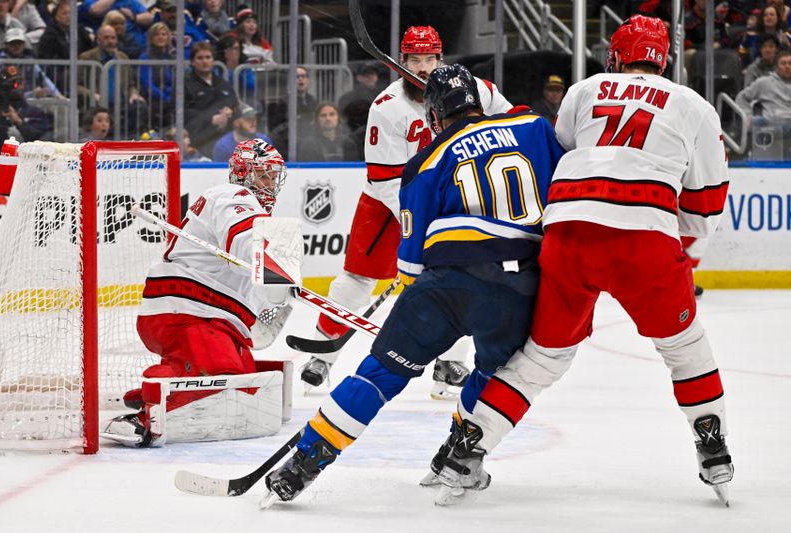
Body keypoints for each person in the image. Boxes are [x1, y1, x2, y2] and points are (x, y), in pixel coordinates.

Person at [430, 15, 734, 507]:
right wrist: (675, 242)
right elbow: (704, 207)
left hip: (568, 231)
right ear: (665, 59)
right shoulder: (693, 106)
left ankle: (470, 445)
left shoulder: (585, 89)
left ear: (615, 55)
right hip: (643, 240)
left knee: (543, 357)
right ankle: (712, 443)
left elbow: (560, 158)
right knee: (684, 346)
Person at [262, 64, 563, 506]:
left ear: (434, 118)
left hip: (445, 284)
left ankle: (306, 459)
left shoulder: (426, 160)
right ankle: (457, 456)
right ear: (479, 103)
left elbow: (410, 265)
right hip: (518, 285)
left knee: (380, 374)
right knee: (493, 372)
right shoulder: (535, 127)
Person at [298, 26, 513, 400]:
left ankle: (450, 362)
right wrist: (422, 224)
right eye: (415, 60)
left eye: (430, 59)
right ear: (402, 63)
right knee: (356, 282)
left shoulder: (474, 90)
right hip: (388, 204)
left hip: (453, 196)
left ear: (440, 59)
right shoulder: (387, 108)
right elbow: (386, 181)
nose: (424, 68)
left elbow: (508, 124)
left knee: (463, 277)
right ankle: (323, 353)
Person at [102, 138, 291, 447]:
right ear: (243, 172)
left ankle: (155, 390)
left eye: (273, 176)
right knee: (220, 380)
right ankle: (147, 409)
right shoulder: (233, 195)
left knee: (243, 383)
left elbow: (259, 299)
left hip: (211, 318)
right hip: (188, 311)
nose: (270, 183)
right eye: (263, 174)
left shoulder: (252, 211)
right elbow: (246, 243)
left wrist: (280, 290)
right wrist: (277, 270)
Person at [184, 41, 240, 158]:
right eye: (200, 58)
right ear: (193, 62)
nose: (205, 61)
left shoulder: (222, 83)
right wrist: (211, 119)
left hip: (226, 134)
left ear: (213, 60)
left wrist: (229, 112)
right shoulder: (186, 84)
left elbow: (234, 104)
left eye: (208, 57)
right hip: (200, 138)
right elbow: (183, 113)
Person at [735, 49, 791, 157]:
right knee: (757, 122)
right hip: (772, 123)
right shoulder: (764, 82)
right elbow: (741, 97)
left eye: (790, 63)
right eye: (783, 63)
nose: (787, 66)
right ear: (776, 67)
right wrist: (748, 116)